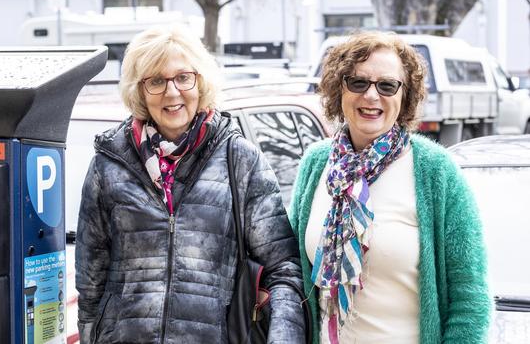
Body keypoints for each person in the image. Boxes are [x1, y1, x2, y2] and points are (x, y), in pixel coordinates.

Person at [75, 24, 306, 344]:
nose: (172, 92)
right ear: (139, 90)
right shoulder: (109, 164)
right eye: (156, 80)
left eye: (183, 77)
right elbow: (90, 285)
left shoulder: (239, 160)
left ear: (201, 82)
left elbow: (283, 272)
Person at [289, 31, 490, 344]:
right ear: (338, 89)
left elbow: (470, 302)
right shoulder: (317, 164)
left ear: (404, 95)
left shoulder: (437, 172)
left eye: (387, 85)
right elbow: (290, 267)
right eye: (358, 82)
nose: (371, 96)